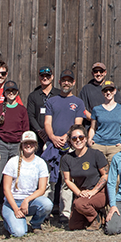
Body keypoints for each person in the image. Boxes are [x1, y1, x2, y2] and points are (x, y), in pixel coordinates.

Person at [43, 68, 86, 220]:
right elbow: (47, 122)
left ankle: (65, 213)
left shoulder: (78, 103)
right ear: (59, 82)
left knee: (67, 181)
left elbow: (77, 125)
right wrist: (53, 137)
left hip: (70, 146)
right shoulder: (52, 101)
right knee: (48, 179)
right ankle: (45, 211)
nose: (66, 83)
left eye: (69, 80)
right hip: (51, 145)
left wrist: (66, 137)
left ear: (73, 83)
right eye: (64, 80)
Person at [1, 131, 53, 237]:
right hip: (12, 203)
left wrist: (27, 200)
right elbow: (6, 189)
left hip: (29, 201)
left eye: (31, 143)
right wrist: (15, 209)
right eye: (25, 143)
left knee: (47, 204)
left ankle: (36, 224)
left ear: (36, 145)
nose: (28, 145)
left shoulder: (41, 163)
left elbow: (42, 189)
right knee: (19, 233)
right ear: (21, 145)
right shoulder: (12, 162)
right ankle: (9, 221)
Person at [0, 80, 29, 213]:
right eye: (8, 91)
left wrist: (24, 151)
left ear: (17, 93)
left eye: (13, 91)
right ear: (5, 93)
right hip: (1, 145)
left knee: (16, 181)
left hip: (17, 146)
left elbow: (25, 131)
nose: (11, 93)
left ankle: (14, 210)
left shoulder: (22, 110)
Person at [60, 124, 109, 230]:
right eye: (74, 138)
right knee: (74, 226)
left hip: (99, 192)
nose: (78, 140)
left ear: (86, 139)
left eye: (81, 137)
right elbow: (68, 180)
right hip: (82, 193)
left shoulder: (96, 154)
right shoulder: (67, 159)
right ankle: (94, 213)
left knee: (80, 204)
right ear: (70, 141)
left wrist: (93, 191)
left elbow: (105, 175)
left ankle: (96, 218)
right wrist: (78, 193)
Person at [88, 79, 121, 161]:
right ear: (102, 92)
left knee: (115, 171)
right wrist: (89, 139)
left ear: (115, 91)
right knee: (98, 171)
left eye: (111, 90)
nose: (108, 92)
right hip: (98, 144)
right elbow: (92, 128)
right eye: (105, 90)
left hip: (115, 145)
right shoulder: (96, 109)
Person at [26, 66, 56, 146]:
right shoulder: (33, 95)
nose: (45, 78)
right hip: (38, 136)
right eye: (42, 76)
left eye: (48, 76)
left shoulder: (58, 94)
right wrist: (40, 131)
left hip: (55, 134)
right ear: (39, 77)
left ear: (52, 77)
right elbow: (30, 116)